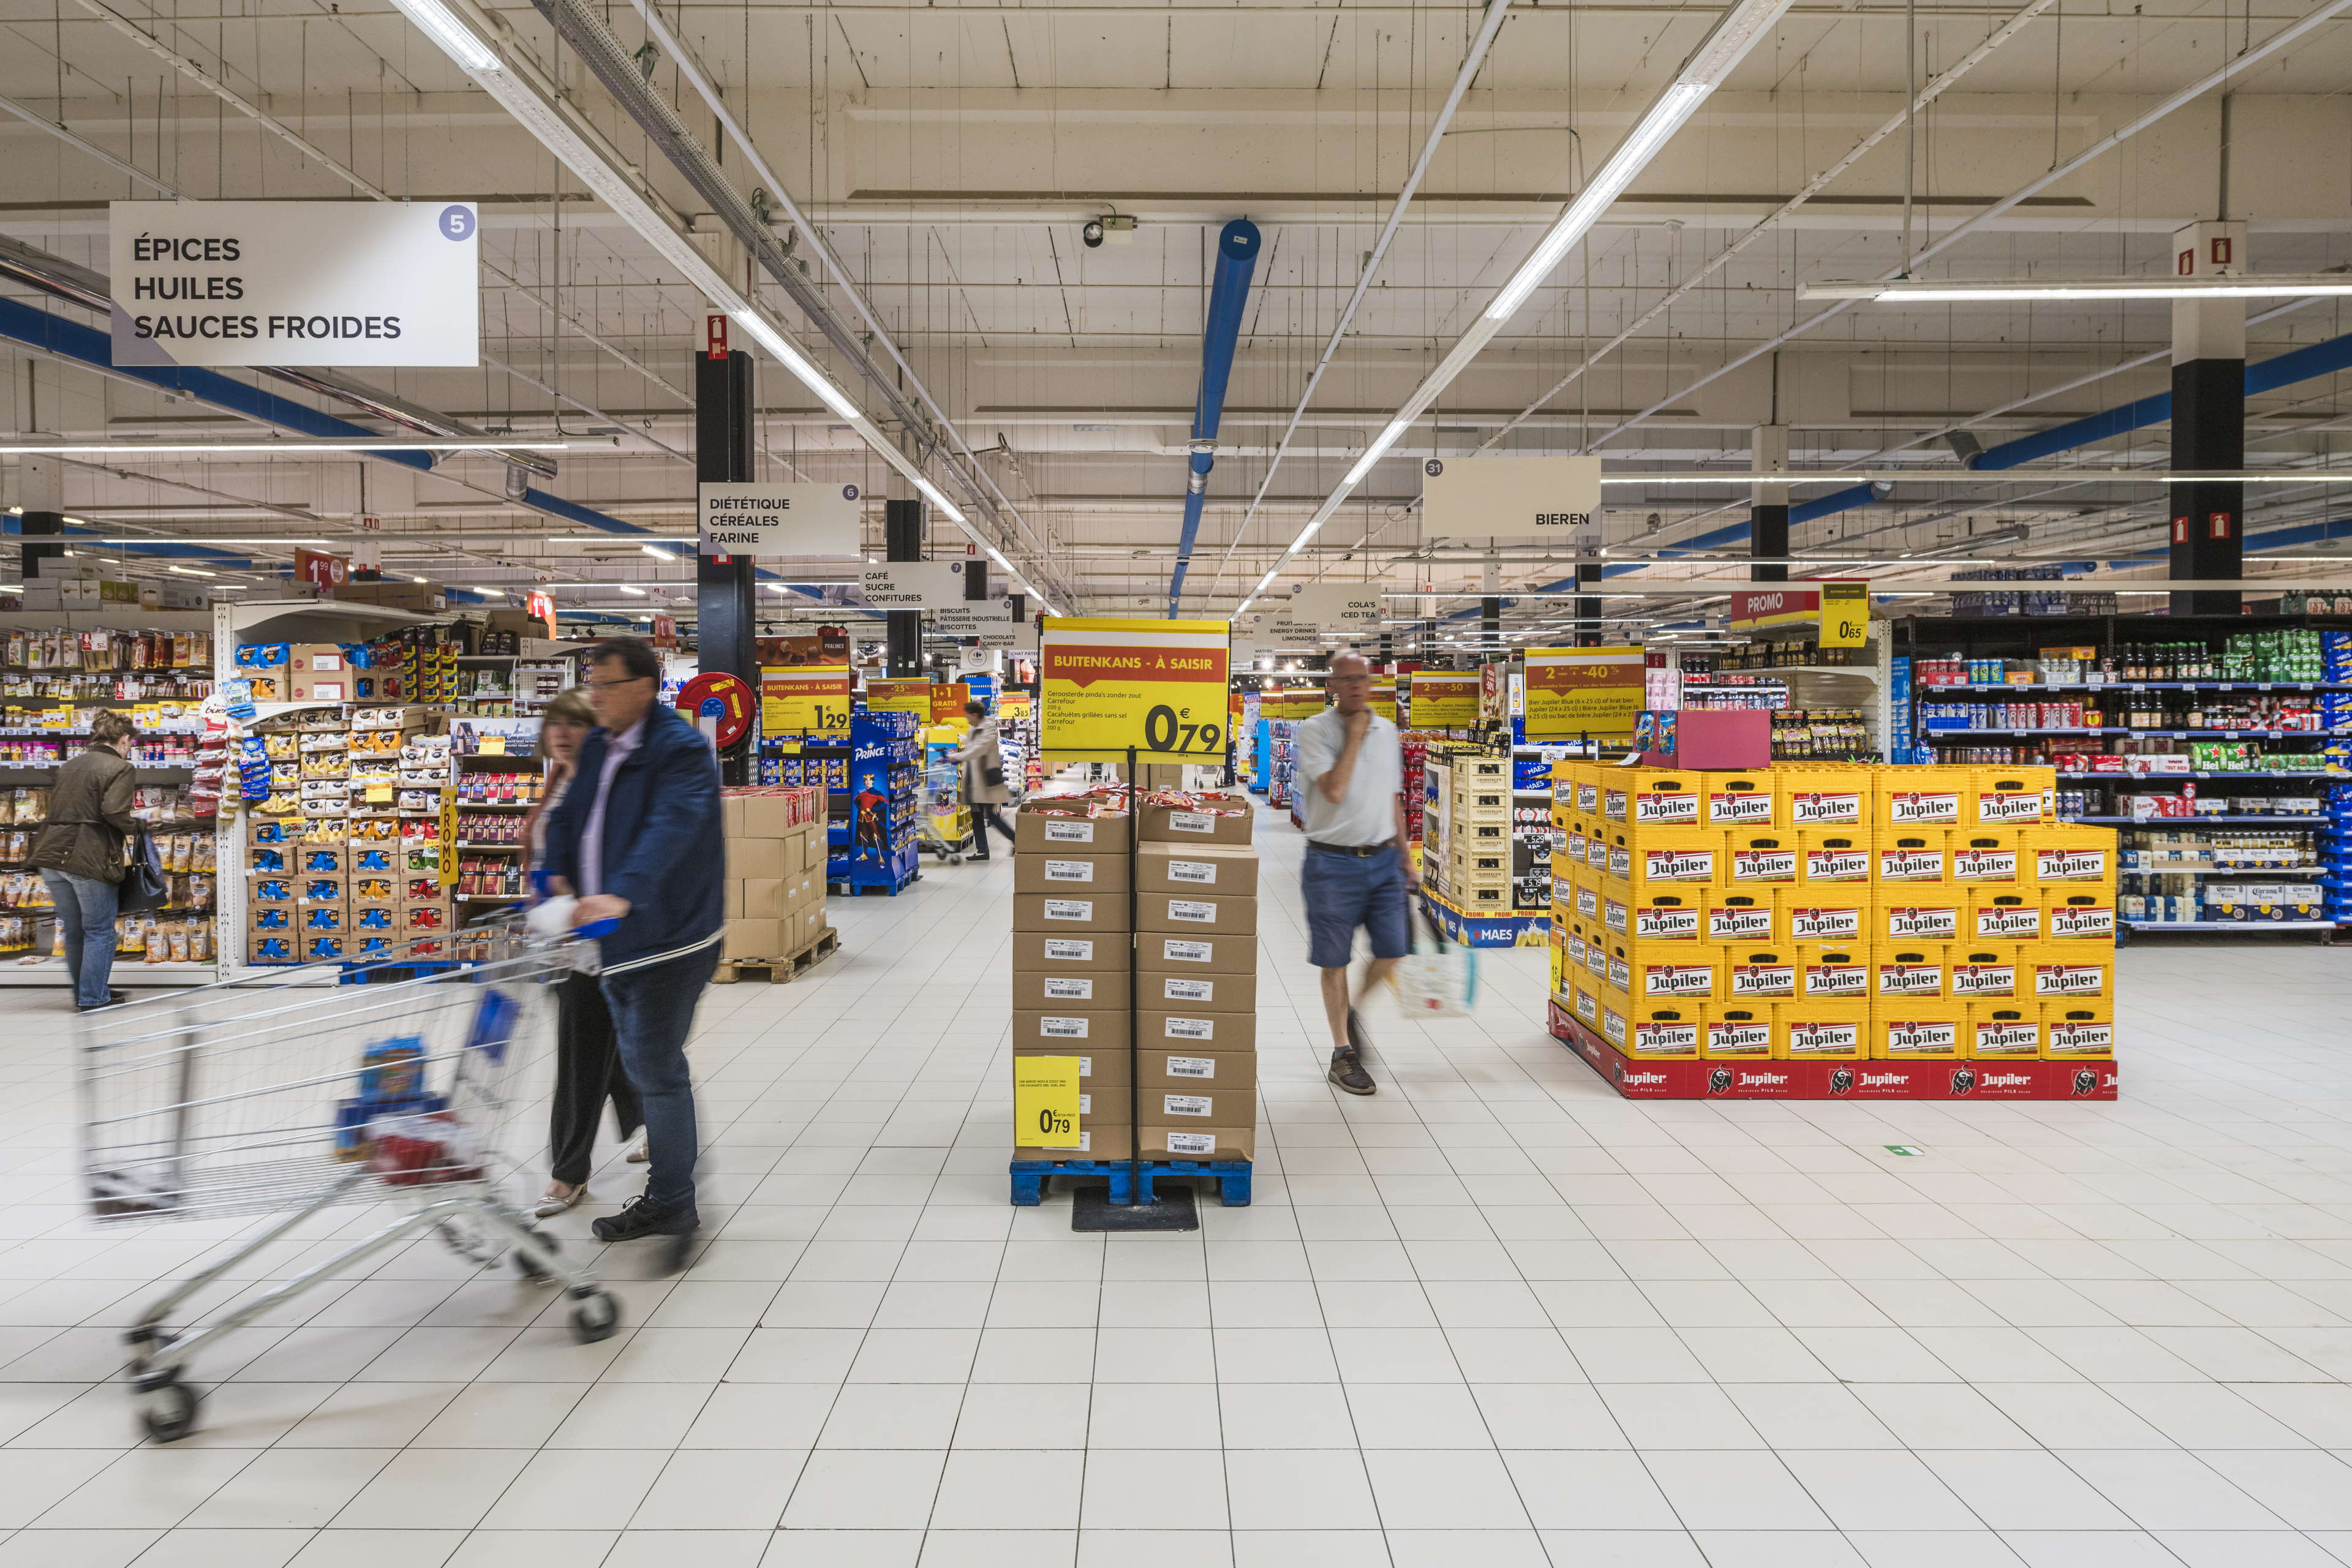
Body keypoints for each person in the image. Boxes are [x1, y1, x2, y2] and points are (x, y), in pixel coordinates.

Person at [540, 638, 724, 1269]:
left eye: (606, 685)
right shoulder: (598, 744)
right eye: (591, 684)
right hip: (612, 939)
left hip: (672, 938)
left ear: (645, 686)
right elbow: (572, 816)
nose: (595, 696)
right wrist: (561, 870)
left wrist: (623, 892)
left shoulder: (680, 751)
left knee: (655, 1065)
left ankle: (674, 1199)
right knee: (649, 1066)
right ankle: (671, 1185)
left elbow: (672, 826)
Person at [525, 690, 644, 1219]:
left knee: (586, 1059)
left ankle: (567, 1173)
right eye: (556, 723)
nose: (563, 732)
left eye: (576, 723)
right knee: (610, 1052)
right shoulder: (559, 784)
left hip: (605, 941)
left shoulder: (603, 787)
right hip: (567, 945)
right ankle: (657, 1130)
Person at [1292, 652, 1417, 1095]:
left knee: (1395, 948)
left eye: (1362, 678)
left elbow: (1393, 798)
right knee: (1334, 959)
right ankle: (1343, 1053)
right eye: (1345, 680)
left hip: (1384, 859)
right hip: (1332, 863)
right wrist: (1355, 735)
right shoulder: (1315, 731)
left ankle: (1354, 1011)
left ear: (1372, 682)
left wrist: (1406, 859)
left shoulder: (1389, 732)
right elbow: (1335, 789)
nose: (1355, 686)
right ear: (1332, 686)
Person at [31, 710, 140, 1011]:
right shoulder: (120, 767)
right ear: (124, 739)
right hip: (87, 858)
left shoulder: (70, 765)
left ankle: (89, 990)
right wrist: (140, 826)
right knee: (100, 930)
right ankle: (94, 998)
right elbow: (114, 812)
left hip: (51, 857)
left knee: (76, 930)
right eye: (130, 743)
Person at [951, 699, 1015, 859]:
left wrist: (954, 757)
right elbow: (971, 752)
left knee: (990, 815)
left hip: (987, 780)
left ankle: (1016, 840)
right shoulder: (972, 730)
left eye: (967, 715)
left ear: (974, 714)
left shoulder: (989, 728)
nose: (966, 718)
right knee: (976, 815)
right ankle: (982, 851)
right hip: (974, 779)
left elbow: (979, 750)